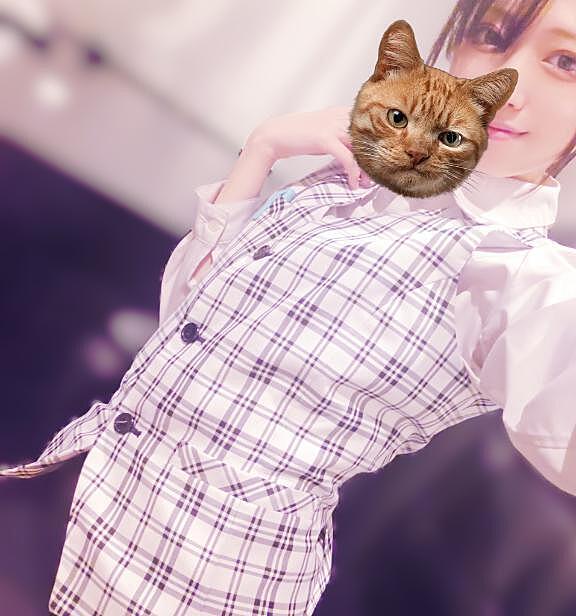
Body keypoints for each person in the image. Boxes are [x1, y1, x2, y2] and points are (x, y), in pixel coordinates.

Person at [2, 0, 576, 614]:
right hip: (75, 495)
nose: (509, 87)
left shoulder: (519, 275)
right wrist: (263, 148)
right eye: (491, 35)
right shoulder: (349, 179)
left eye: (566, 62)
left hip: (197, 579)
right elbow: (187, 326)